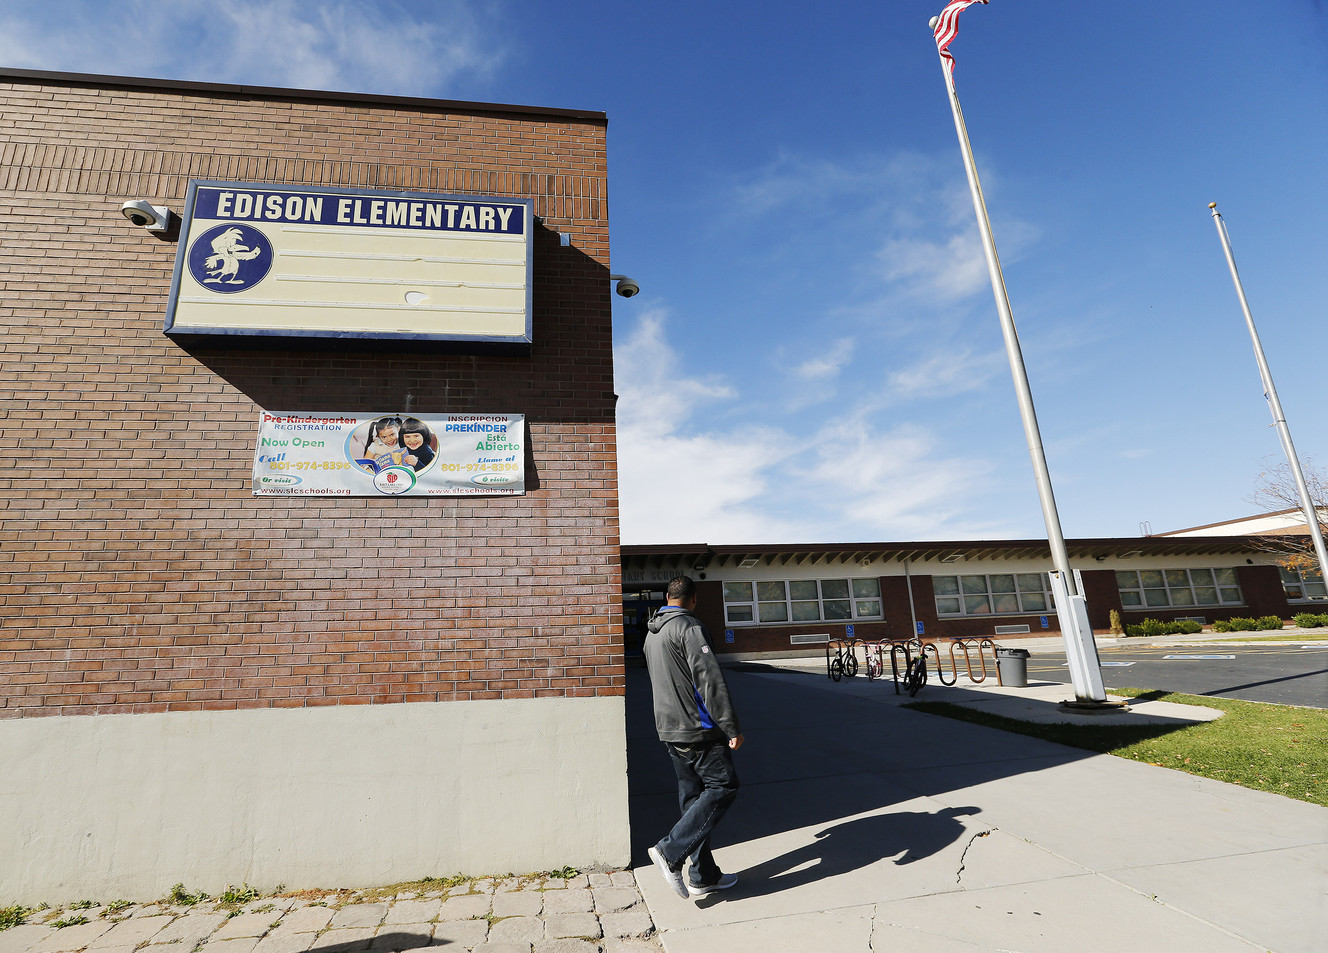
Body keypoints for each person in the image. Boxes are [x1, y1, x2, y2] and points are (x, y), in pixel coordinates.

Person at [644, 575, 744, 900]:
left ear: (667, 596)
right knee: (723, 785)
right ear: (694, 598)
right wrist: (730, 726)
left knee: (693, 802)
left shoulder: (651, 634)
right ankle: (669, 852)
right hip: (697, 730)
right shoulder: (689, 628)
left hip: (669, 729)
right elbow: (709, 680)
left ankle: (703, 876)